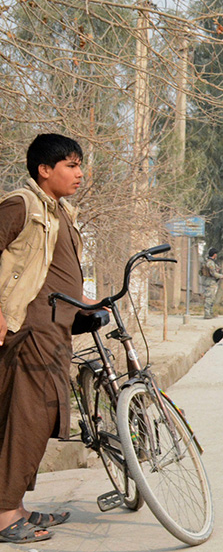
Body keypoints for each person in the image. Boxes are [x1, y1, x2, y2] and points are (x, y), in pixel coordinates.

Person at [0, 134, 98, 543]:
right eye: (71, 166)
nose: (80, 173)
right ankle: (5, 517)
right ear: (45, 169)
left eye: (79, 165)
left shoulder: (61, 212)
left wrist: (89, 302)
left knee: (34, 420)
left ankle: (16, 506)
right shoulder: (20, 205)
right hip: (30, 329)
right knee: (29, 418)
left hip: (56, 328)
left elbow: (54, 271)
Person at [200, 248, 223, 319]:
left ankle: (210, 312)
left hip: (209, 281)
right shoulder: (210, 263)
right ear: (214, 254)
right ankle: (207, 313)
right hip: (210, 282)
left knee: (212, 298)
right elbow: (213, 273)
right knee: (209, 298)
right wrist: (221, 276)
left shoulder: (207, 262)